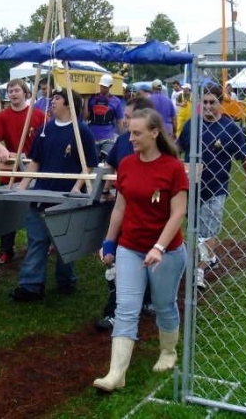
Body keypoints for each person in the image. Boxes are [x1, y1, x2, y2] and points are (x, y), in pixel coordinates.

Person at [93, 108, 189, 392]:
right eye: (129, 132)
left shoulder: (172, 168)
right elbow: (120, 207)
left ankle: (168, 351)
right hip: (130, 248)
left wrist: (159, 247)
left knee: (163, 304)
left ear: (154, 133)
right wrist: (109, 241)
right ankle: (115, 373)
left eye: (136, 133)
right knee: (126, 308)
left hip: (167, 251)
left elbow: (178, 213)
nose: (130, 138)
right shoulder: (127, 164)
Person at [10, 87, 97, 302]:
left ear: (68, 103)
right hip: (42, 193)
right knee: (37, 240)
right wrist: (23, 185)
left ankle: (66, 280)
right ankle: (30, 285)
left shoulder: (82, 131)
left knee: (65, 242)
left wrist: (77, 187)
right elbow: (36, 161)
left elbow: (88, 166)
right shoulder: (44, 129)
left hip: (66, 197)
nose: (52, 101)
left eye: (56, 98)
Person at [178, 85, 246, 290]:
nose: (208, 106)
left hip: (216, 187)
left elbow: (244, 157)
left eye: (212, 102)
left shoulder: (231, 128)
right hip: (189, 187)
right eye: (204, 102)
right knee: (191, 229)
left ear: (221, 103)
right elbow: (176, 150)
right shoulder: (191, 126)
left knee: (208, 230)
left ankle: (199, 270)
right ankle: (210, 257)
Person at [96, 96, 155, 332]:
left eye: (131, 119)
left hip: (150, 221)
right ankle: (115, 313)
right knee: (120, 264)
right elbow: (111, 169)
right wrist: (104, 186)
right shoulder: (122, 142)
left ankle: (148, 300)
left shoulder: (161, 152)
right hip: (125, 218)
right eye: (126, 119)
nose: (126, 124)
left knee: (148, 264)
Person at [0, 79, 46, 265]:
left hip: (34, 170)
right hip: (11, 170)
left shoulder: (38, 115)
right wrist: (1, 150)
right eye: (10, 91)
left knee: (36, 211)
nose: (13, 94)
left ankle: (38, 246)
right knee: (8, 212)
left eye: (16, 90)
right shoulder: (3, 116)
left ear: (26, 93)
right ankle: (6, 251)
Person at [83, 73, 124, 163]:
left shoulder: (116, 101)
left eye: (105, 87)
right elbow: (85, 117)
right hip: (93, 137)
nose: (103, 89)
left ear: (110, 86)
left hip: (108, 137)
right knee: (94, 163)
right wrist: (86, 100)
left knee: (106, 162)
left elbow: (120, 121)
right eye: (101, 86)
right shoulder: (92, 99)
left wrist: (122, 138)